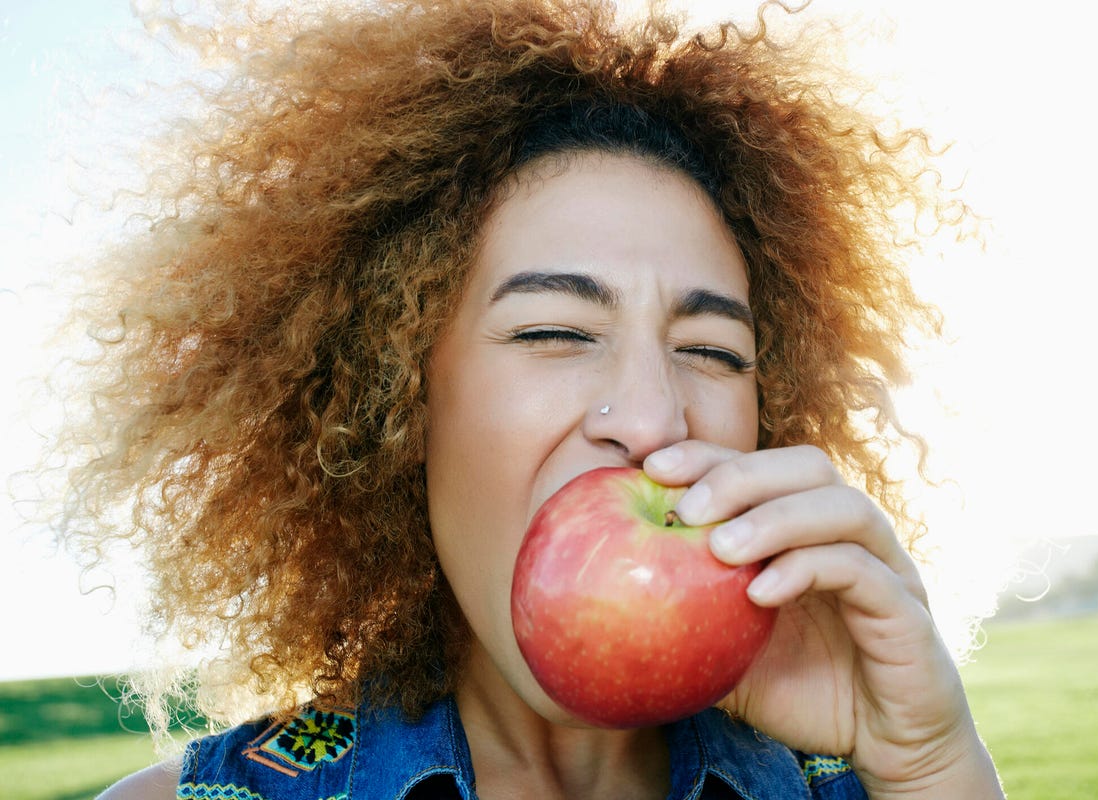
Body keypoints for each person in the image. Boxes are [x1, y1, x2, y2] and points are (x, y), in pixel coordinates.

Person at [49, 0, 1003, 797]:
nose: (652, 419)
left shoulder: (861, 782)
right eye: (554, 332)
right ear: (399, 397)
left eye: (713, 349)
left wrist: (930, 767)